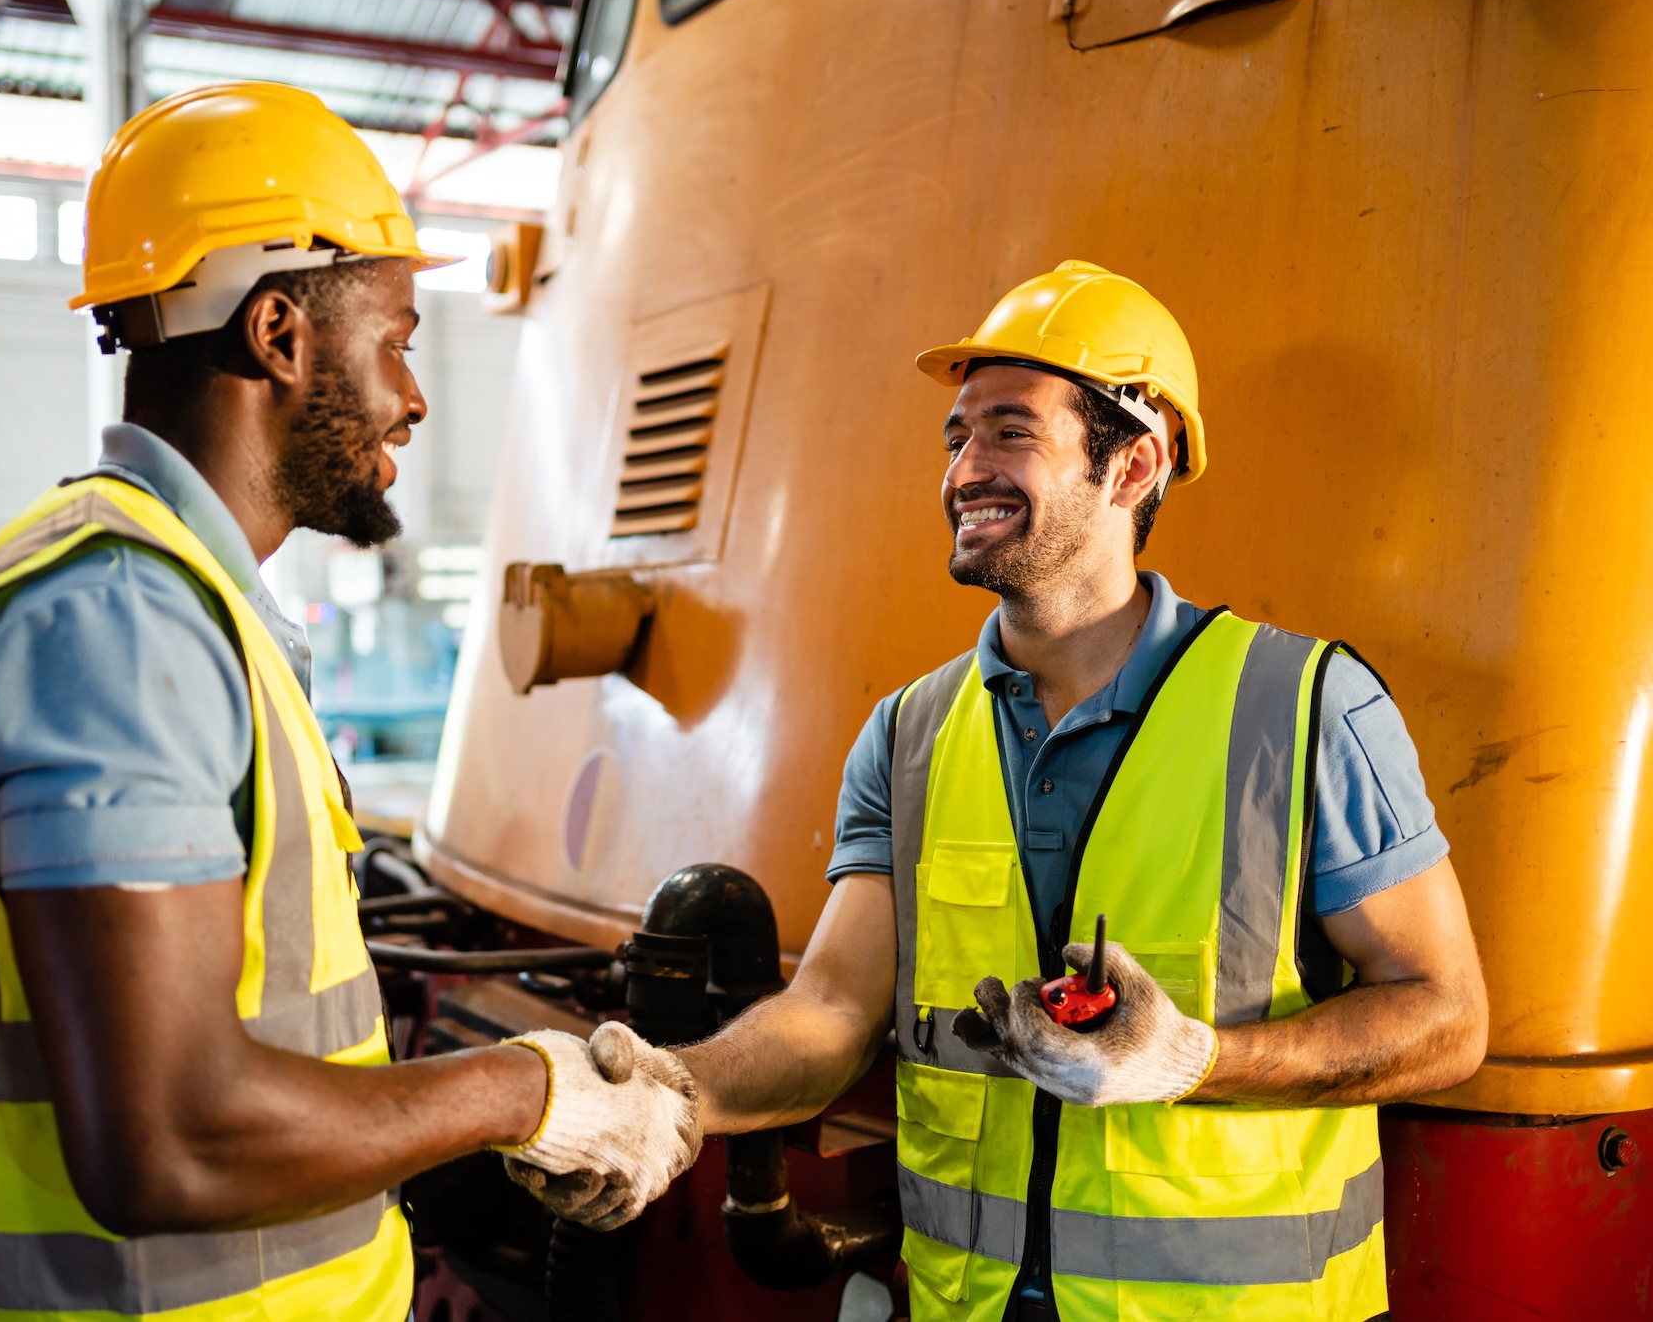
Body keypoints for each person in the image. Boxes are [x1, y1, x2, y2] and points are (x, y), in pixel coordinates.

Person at [519, 262, 1490, 1322]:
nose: (961, 470)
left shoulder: (1300, 711)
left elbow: (1445, 1017)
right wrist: (671, 1094)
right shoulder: (908, 734)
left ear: (1132, 464)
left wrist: (1196, 1059)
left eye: (1010, 433)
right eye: (955, 436)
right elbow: (836, 1008)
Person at [0, 82, 698, 1322]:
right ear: (279, 333)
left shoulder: (182, 603)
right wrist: (520, 1089)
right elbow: (173, 1139)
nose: (412, 397)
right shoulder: (116, 618)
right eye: (397, 338)